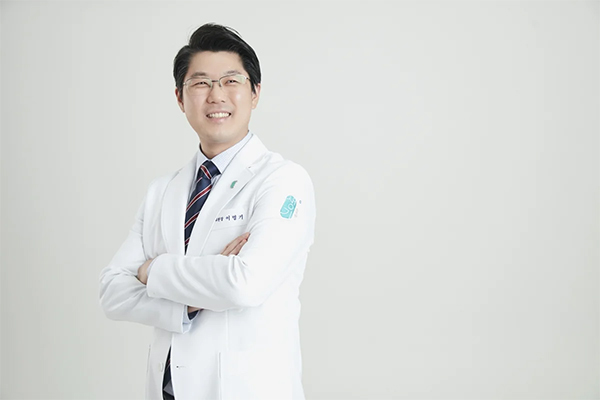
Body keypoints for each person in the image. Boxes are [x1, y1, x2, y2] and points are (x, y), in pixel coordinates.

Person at [99, 23, 316, 400]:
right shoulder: (162, 190)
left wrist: (152, 270)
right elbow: (113, 293)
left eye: (231, 81)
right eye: (200, 83)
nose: (216, 95)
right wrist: (190, 301)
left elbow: (245, 284)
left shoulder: (282, 180)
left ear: (255, 92)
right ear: (180, 98)